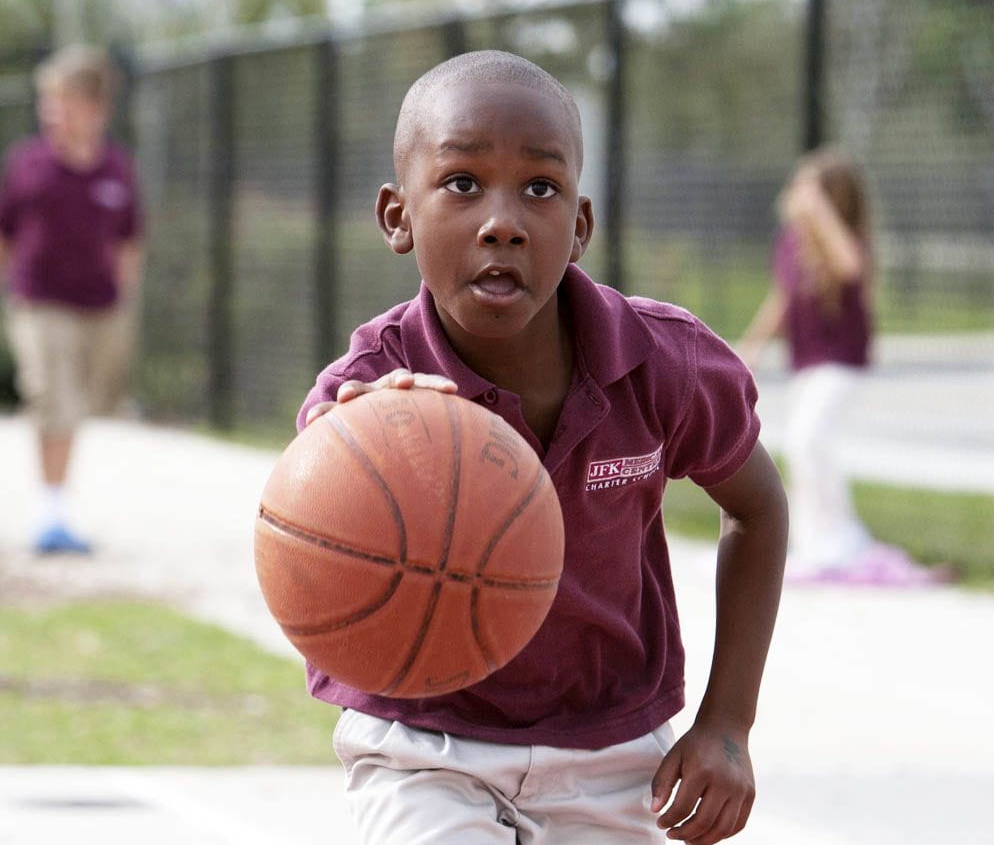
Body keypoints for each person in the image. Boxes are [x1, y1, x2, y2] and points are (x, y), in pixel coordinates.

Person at [299, 50, 788, 844]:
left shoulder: (662, 362)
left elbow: (758, 510)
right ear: (397, 216)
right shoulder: (372, 389)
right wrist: (348, 451)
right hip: (425, 743)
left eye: (540, 188)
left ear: (580, 225)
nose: (503, 220)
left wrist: (727, 722)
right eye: (461, 183)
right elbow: (304, 547)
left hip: (612, 747)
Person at [737, 149, 941, 586]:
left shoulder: (845, 239)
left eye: (816, 190)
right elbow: (782, 300)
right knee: (805, 448)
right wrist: (751, 347)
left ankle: (843, 540)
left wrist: (820, 214)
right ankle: (816, 544)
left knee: (809, 440)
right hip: (806, 360)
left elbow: (850, 267)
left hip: (843, 361)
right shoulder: (791, 240)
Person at [0, 45, 143, 555]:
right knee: (51, 398)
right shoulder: (27, 164)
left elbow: (129, 239)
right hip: (38, 302)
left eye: (61, 102)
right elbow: (6, 234)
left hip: (99, 308)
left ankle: (56, 503)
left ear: (94, 108)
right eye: (47, 103)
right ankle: (50, 513)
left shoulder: (117, 170)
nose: (50, 113)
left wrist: (123, 301)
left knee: (77, 407)